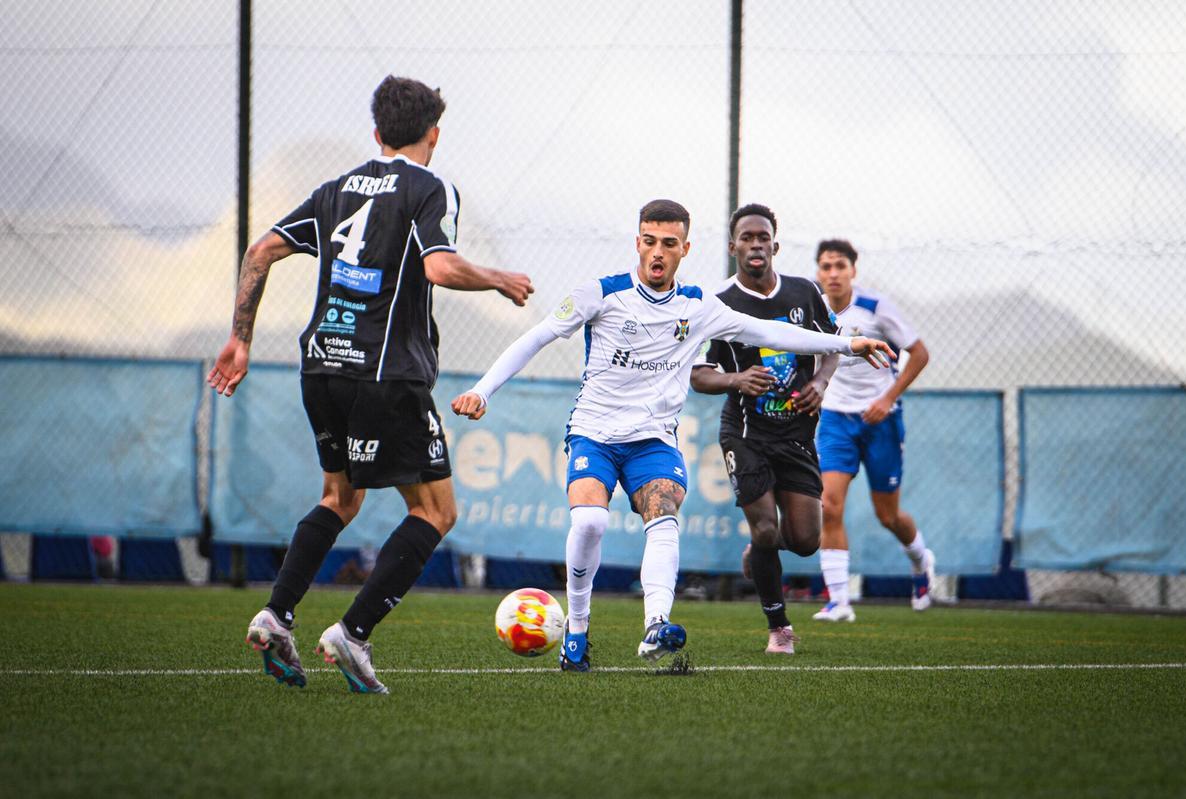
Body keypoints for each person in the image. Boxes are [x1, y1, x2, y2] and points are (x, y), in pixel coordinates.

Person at [450, 200, 894, 672]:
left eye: (668, 243)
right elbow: (535, 338)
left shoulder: (699, 306)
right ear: (637, 243)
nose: (657, 252)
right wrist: (482, 390)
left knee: (664, 518)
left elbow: (771, 332)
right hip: (594, 434)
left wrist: (849, 344)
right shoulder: (600, 294)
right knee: (591, 523)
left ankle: (656, 625)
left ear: (685, 248)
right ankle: (576, 630)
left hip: (653, 441)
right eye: (649, 241)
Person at [208, 76, 533, 693]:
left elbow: (259, 252)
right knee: (435, 510)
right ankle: (352, 633)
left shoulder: (335, 189)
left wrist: (240, 338)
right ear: (434, 133)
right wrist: (497, 278)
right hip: (386, 374)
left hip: (321, 365)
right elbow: (439, 266)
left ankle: (276, 615)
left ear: (377, 131)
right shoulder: (430, 187)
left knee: (340, 497)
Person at [690, 204, 838, 654]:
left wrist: (820, 382)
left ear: (775, 245)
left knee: (806, 541)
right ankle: (779, 629)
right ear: (732, 246)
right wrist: (736, 379)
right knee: (767, 530)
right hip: (745, 433)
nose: (755, 244)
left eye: (762, 237)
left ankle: (759, 551)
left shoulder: (804, 293)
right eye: (746, 237)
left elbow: (833, 345)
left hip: (797, 434)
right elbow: (698, 374)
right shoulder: (717, 304)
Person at [812, 239, 932, 622]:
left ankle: (921, 561)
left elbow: (920, 353)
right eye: (826, 266)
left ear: (853, 271)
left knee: (888, 516)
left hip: (881, 420)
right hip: (835, 418)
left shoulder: (876, 307)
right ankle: (839, 602)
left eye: (840, 266)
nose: (833, 274)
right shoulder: (812, 308)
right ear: (818, 272)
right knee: (829, 505)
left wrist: (887, 399)